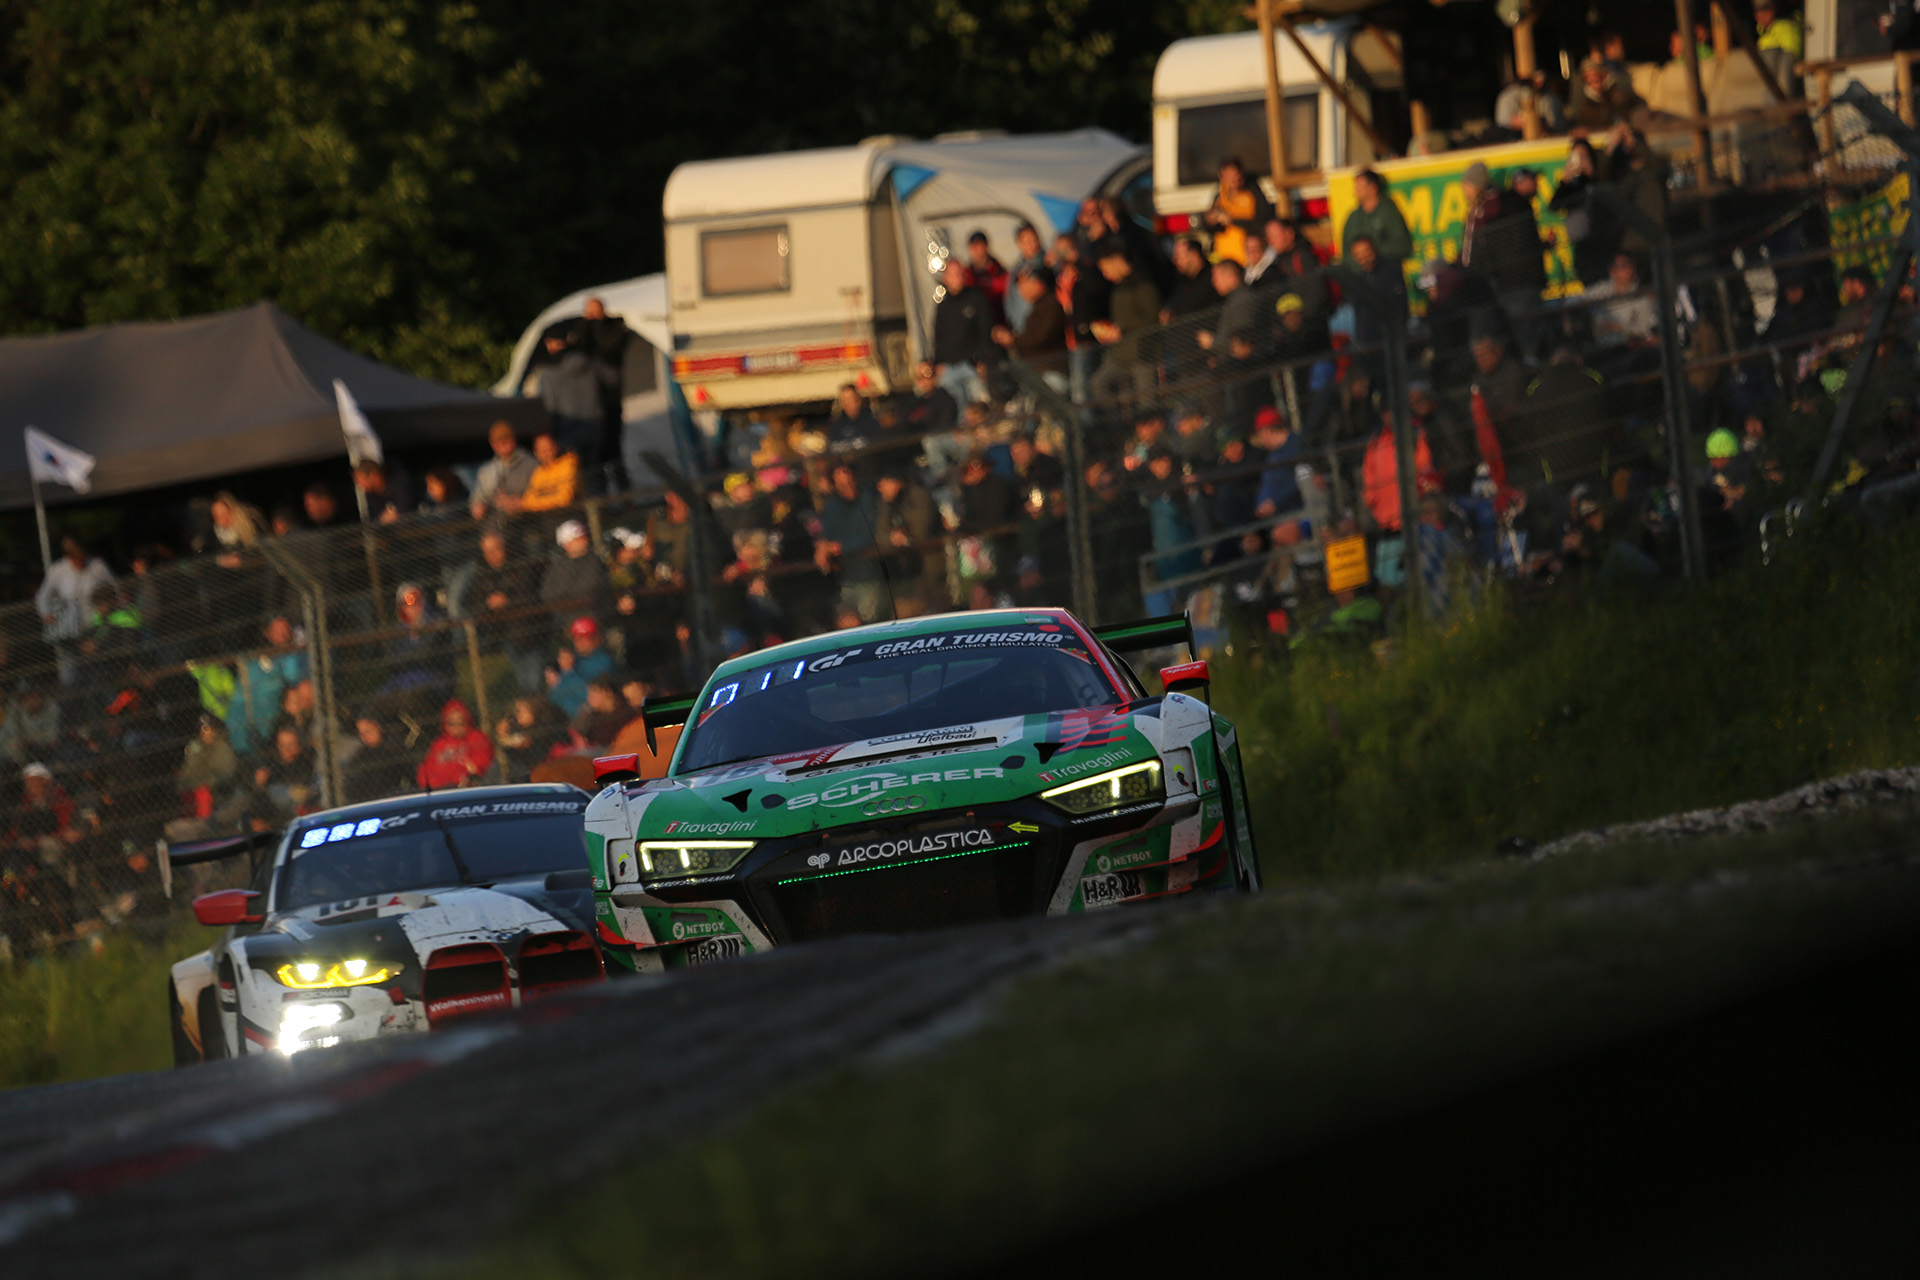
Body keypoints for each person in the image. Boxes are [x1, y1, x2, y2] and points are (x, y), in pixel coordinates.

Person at [815, 462, 888, 622]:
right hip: (846, 579)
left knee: (870, 620)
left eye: (849, 480)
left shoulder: (868, 501)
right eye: (841, 483)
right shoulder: (832, 507)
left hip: (870, 576)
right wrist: (823, 547)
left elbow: (869, 535)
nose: (847, 486)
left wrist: (837, 547)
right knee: (847, 619)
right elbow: (828, 533)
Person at [36, 536, 115, 685]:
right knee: (70, 677)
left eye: (82, 557)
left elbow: (114, 589)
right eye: (76, 559)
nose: (80, 562)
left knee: (98, 673)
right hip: (69, 632)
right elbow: (43, 596)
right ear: (68, 557)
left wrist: (108, 605)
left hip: (93, 627)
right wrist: (46, 614)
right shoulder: (58, 570)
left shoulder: (98, 566)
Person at [932, 259, 996, 406]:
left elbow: (985, 330)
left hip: (971, 365)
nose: (957, 277)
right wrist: (938, 362)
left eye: (959, 273)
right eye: (953, 274)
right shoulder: (943, 306)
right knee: (956, 409)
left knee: (979, 407)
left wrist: (982, 359)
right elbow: (938, 336)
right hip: (949, 367)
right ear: (945, 279)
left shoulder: (976, 299)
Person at [991, 265, 1068, 383]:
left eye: (1024, 283)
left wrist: (1013, 340)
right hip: (1038, 372)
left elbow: (1042, 337)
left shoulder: (1052, 305)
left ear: (1039, 283)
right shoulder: (1036, 309)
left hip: (1053, 371)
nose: (1020, 289)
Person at [1201, 157, 1275, 266]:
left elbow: (1262, 223)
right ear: (1221, 177)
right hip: (1225, 257)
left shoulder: (1252, 194)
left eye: (1236, 175)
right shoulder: (1219, 198)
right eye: (1229, 176)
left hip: (1248, 258)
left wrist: (1232, 220)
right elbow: (1212, 230)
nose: (1234, 179)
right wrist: (1209, 221)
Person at [539, 519, 613, 622]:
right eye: (578, 539)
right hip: (568, 619)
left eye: (584, 536)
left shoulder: (593, 560)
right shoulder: (559, 566)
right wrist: (567, 600)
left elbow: (589, 587)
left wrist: (566, 597)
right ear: (566, 544)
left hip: (596, 616)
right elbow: (547, 594)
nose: (585, 540)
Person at [1341, 170, 1414, 269]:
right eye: (1356, 186)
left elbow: (1404, 247)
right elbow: (1346, 255)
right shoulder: (1353, 219)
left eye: (1360, 187)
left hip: (1387, 272)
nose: (1356, 190)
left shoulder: (1389, 212)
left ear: (1373, 188)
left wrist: (1372, 251)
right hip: (1360, 276)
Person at [416, 699, 493, 789]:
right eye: (451, 723)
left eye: (461, 722)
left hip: (466, 788)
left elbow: (480, 765)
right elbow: (425, 770)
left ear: (467, 720)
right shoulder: (439, 744)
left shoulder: (477, 738)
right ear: (445, 724)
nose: (456, 727)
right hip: (439, 789)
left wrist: (467, 775)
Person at [338, 715, 412, 805]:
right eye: (361, 733)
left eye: (368, 731)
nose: (365, 737)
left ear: (377, 727)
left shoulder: (394, 749)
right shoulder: (361, 755)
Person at [471, 422, 538, 519]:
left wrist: (519, 501)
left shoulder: (531, 464)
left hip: (528, 520)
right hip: (495, 521)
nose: (503, 443)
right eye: (498, 441)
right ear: (492, 444)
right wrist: (477, 506)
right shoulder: (486, 471)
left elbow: (539, 494)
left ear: (514, 440)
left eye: (506, 439)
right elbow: (478, 497)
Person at [521, 430, 580, 512]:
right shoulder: (539, 472)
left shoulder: (568, 462)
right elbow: (528, 499)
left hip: (570, 514)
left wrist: (532, 503)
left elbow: (564, 499)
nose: (546, 454)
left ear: (555, 447)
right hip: (544, 517)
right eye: (542, 451)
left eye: (548, 448)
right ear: (535, 453)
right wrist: (529, 503)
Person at [827, 383, 880, 449]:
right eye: (844, 400)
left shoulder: (871, 421)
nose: (848, 403)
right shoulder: (837, 425)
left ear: (858, 400)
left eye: (851, 399)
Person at [965, 230, 1008, 309]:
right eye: (974, 247)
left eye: (979, 246)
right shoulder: (966, 275)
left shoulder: (1000, 272)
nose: (976, 250)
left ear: (986, 246)